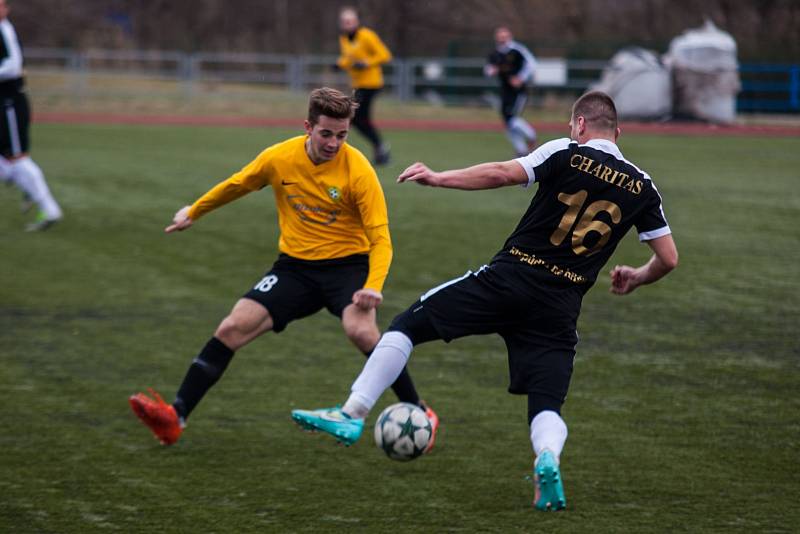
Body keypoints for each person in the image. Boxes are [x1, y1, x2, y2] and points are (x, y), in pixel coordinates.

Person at [292, 91, 678, 511]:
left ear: (580, 125)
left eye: (573, 126)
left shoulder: (566, 152)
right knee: (546, 402)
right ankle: (547, 458)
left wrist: (439, 177)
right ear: (617, 133)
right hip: (560, 306)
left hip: (509, 280)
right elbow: (669, 258)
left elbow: (499, 172)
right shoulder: (643, 185)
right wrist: (636, 277)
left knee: (405, 326)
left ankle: (353, 412)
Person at [129, 87, 438, 447]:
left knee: (362, 332)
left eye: (342, 135)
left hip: (348, 267)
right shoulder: (280, 158)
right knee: (232, 328)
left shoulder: (359, 171)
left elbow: (381, 238)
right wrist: (194, 211)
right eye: (326, 133)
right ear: (308, 126)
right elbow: (239, 183)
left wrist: (373, 285)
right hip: (295, 269)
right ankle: (175, 417)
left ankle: (419, 412)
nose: (334, 143)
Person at [0, 0, 62, 231]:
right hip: (4, 102)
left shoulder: (3, 29)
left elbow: (13, 66)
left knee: (17, 158)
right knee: (8, 160)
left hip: (10, 104)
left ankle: (49, 209)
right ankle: (26, 184)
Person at [337, 6, 392, 165]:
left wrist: (367, 63)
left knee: (356, 117)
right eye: (344, 22)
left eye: (350, 21)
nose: (347, 24)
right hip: (358, 84)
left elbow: (384, 55)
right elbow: (348, 59)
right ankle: (380, 149)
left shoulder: (367, 36)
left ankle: (380, 147)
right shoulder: (344, 39)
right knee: (358, 119)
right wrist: (339, 64)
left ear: (356, 22)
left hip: (371, 84)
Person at [484, 26, 538, 157]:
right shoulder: (495, 53)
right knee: (508, 122)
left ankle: (531, 136)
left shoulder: (517, 50)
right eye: (499, 36)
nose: (502, 39)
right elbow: (487, 70)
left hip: (518, 91)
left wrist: (521, 77)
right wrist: (492, 71)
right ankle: (521, 150)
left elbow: (532, 64)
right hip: (505, 91)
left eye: (504, 36)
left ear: (509, 36)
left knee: (512, 119)